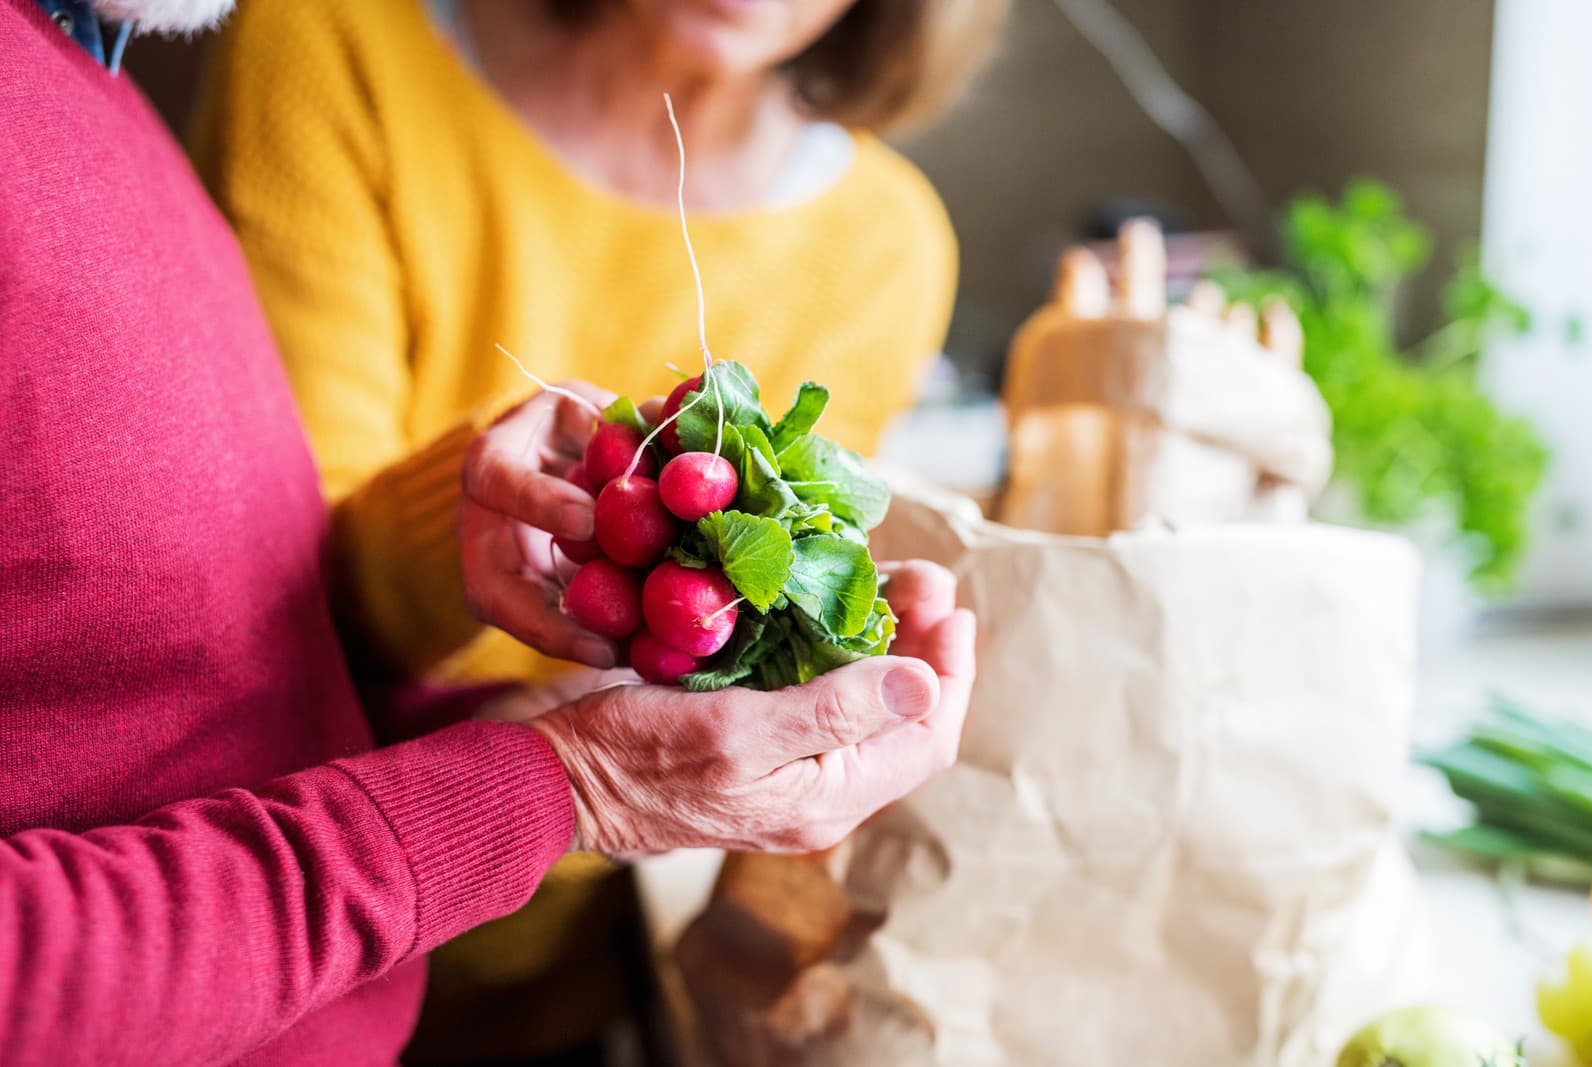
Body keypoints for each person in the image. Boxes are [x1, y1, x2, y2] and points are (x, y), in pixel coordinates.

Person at [0, 2, 977, 1065]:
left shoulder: (90, 83)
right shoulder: (299, 46)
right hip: (376, 929)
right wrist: (557, 786)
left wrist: (551, 752)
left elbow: (199, 679)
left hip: (509, 950)